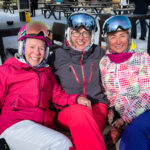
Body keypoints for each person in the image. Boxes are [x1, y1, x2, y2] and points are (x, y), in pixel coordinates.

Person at [0, 21, 91, 150]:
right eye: (31, 47)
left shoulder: (47, 73)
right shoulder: (8, 70)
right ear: (22, 47)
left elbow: (58, 96)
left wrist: (77, 99)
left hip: (41, 128)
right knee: (62, 144)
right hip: (15, 125)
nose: (36, 53)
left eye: (41, 48)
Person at [48, 12, 108, 150]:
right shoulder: (57, 56)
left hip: (97, 106)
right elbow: (45, 80)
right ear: (69, 33)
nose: (80, 38)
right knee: (81, 116)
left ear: (91, 35)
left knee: (86, 134)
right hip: (68, 109)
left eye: (85, 33)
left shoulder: (99, 53)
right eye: (76, 33)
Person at [100, 15, 150, 150]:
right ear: (107, 39)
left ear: (128, 36)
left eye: (122, 35)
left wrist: (127, 116)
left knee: (135, 130)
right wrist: (113, 112)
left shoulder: (141, 58)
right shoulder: (105, 62)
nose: (118, 41)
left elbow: (147, 94)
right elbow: (109, 93)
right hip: (122, 112)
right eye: (113, 37)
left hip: (145, 109)